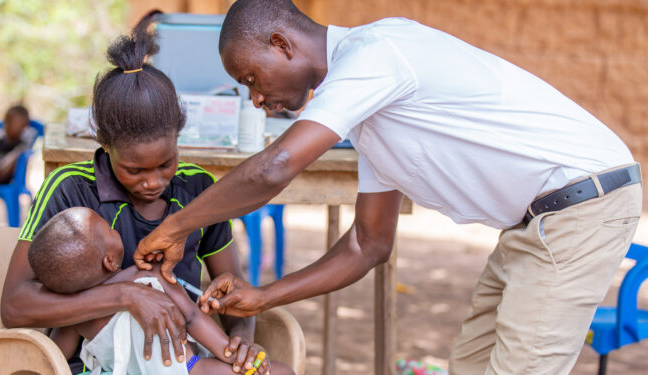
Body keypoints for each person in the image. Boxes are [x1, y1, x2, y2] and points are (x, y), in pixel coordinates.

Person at [133, 1, 643, 374]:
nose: (256, 98)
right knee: (468, 365)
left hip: (582, 204)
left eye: (251, 77)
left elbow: (275, 166)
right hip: (534, 223)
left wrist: (176, 226)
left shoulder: (377, 53)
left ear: (282, 44)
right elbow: (367, 244)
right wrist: (263, 296)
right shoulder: (371, 118)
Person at [1, 18, 263, 374]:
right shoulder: (71, 190)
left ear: (178, 137)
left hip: (185, 357)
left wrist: (241, 341)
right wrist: (128, 294)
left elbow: (233, 294)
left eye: (166, 163)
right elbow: (16, 306)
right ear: (104, 144)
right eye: (135, 171)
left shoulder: (198, 190)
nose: (153, 182)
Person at [27, 207, 290, 375]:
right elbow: (192, 318)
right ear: (109, 261)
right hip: (189, 369)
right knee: (283, 373)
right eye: (108, 228)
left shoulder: (75, 316)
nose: (113, 226)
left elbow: (55, 359)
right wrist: (231, 356)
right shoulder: (147, 274)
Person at [0, 105, 38, 185]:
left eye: (9, 121)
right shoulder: (2, 138)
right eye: (5, 121)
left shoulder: (22, 145)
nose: (5, 125)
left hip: (3, 178)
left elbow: (1, 172)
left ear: (23, 125)